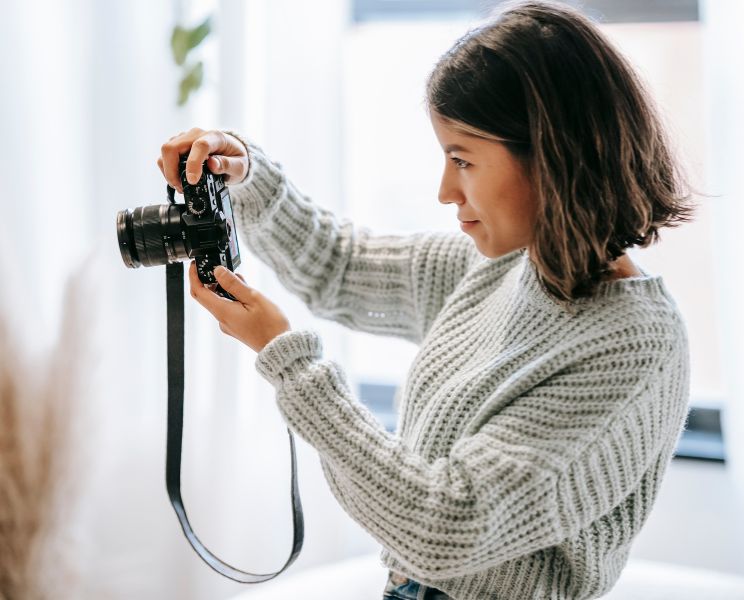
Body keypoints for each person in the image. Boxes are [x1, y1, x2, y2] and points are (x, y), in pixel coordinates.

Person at [157, 1, 697, 598]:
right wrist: (246, 173)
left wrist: (287, 360)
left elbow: (446, 526)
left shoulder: (630, 345)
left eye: (462, 160)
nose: (445, 191)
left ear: (552, 154)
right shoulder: (504, 269)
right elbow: (339, 266)